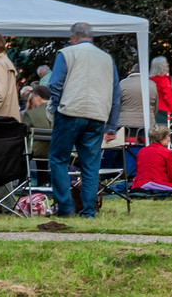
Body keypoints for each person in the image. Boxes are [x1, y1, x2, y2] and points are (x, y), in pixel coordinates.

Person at [48, 21, 121, 218]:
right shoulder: (107, 58)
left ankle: (65, 206)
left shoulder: (66, 54)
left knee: (58, 159)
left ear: (73, 37)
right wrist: (112, 125)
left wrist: (58, 106)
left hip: (70, 112)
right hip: (97, 115)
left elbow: (54, 84)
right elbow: (115, 93)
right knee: (90, 165)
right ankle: (88, 211)